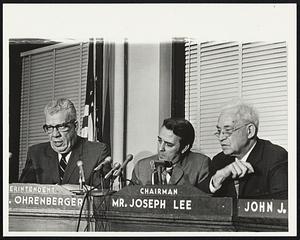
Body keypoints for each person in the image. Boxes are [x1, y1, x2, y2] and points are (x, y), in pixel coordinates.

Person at [202, 99, 288, 199]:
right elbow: (202, 201)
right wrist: (216, 180)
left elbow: (281, 205)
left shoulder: (276, 157)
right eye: (219, 131)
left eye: (228, 130)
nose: (221, 138)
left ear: (250, 131)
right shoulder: (219, 160)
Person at [19, 98, 111, 188]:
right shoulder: (36, 154)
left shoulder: (97, 152)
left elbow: (101, 195)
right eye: (50, 128)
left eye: (62, 127)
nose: (55, 134)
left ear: (75, 126)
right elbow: (21, 194)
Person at [131, 117, 210, 190]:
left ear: (184, 148)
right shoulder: (141, 168)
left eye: (168, 145)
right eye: (159, 141)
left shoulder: (200, 165)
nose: (160, 148)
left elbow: (205, 201)